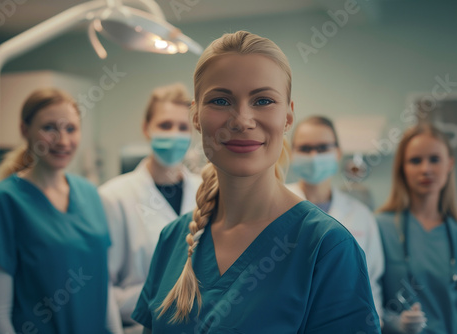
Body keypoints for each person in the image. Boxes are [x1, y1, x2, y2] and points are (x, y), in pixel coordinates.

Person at [131, 31, 381, 333]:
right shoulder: (174, 239)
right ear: (196, 116)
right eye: (221, 100)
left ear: (288, 117)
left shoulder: (326, 248)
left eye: (263, 100)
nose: (242, 119)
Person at [0, 88, 123, 334]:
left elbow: (101, 288)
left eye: (71, 129)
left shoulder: (90, 194)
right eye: (49, 128)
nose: (63, 141)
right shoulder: (0, 202)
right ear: (24, 130)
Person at [99, 83, 201, 330]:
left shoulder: (206, 191)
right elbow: (101, 290)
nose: (174, 134)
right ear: (146, 128)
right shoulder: (113, 197)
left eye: (183, 127)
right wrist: (160, 298)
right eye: (165, 125)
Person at [287, 115, 385, 320]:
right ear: (291, 152)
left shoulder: (360, 215)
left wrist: (373, 324)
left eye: (323, 148)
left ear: (338, 153)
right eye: (305, 149)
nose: (314, 156)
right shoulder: (273, 206)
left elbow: (371, 280)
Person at [377, 123, 457, 334]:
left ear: (450, 164)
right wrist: (394, 322)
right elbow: (364, 297)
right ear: (402, 168)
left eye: (434, 159)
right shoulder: (380, 227)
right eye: (415, 161)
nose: (425, 169)